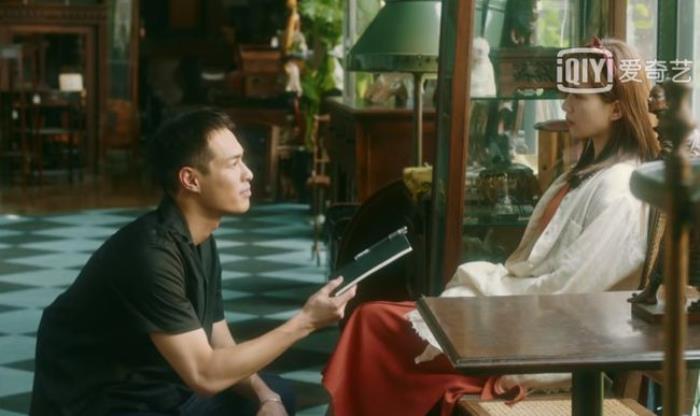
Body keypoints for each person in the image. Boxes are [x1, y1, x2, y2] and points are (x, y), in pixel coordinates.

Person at [322, 38, 660, 416]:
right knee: (373, 320)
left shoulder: (619, 189)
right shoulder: (587, 172)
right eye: (567, 94)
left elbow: (573, 292)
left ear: (616, 109)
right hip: (517, 310)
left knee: (371, 323)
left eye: (579, 97)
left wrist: (492, 302)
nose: (566, 105)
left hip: (540, 332)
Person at [30, 109, 356, 416]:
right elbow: (204, 375)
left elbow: (220, 342)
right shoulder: (149, 255)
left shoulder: (200, 238)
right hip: (106, 401)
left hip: (160, 386)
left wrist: (265, 397)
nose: (249, 173)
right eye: (234, 164)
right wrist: (305, 322)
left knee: (277, 395)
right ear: (191, 180)